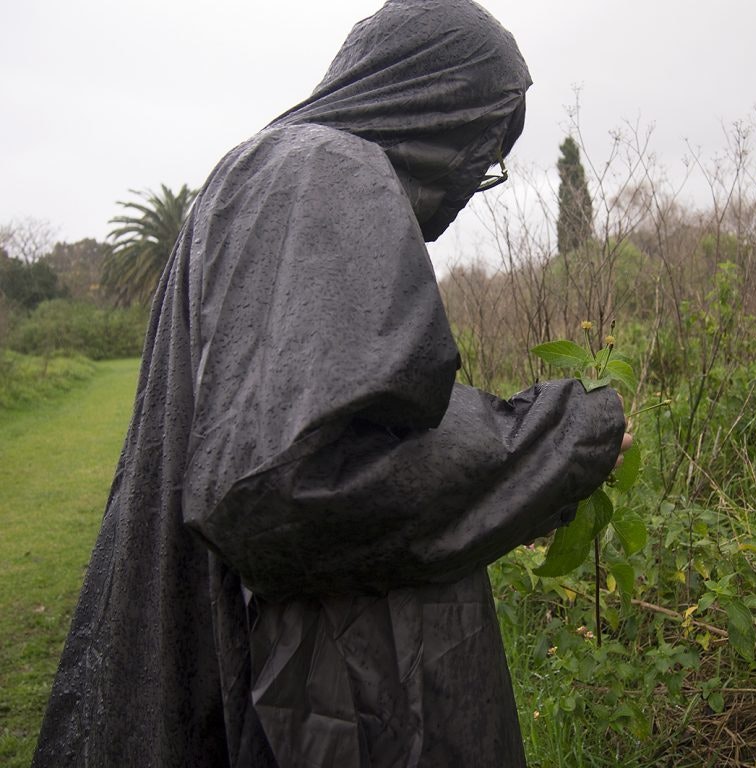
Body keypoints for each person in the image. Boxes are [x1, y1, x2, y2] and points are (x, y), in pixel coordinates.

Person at [33, 1, 630, 766]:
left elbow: (311, 435)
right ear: (428, 96)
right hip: (292, 704)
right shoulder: (322, 172)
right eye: (484, 138)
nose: (482, 172)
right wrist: (561, 439)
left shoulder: (262, 174)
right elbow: (295, 481)